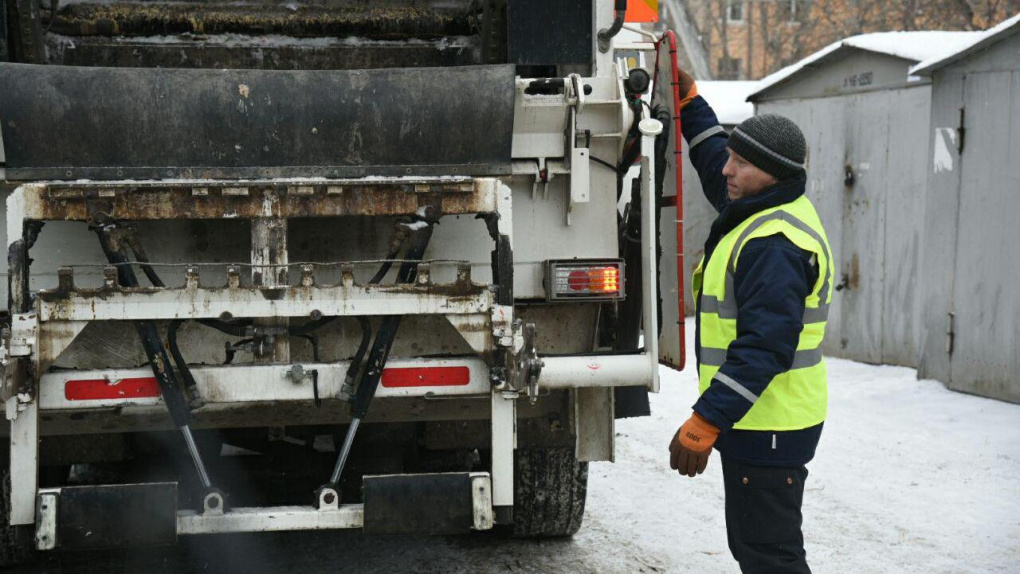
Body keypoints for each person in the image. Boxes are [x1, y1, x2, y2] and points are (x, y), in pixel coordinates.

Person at [666, 70, 834, 574]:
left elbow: (763, 349)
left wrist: (705, 421)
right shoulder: (759, 205)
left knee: (770, 558)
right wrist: (690, 101)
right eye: (734, 159)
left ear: (771, 173)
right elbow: (712, 156)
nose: (728, 171)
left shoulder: (774, 244)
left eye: (741, 163)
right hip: (762, 420)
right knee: (756, 549)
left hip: (770, 425)